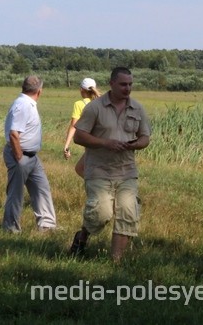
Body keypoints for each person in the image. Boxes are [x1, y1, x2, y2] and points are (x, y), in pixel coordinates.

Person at [70, 67, 151, 263]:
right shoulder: (95, 108)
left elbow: (145, 137)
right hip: (98, 169)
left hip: (126, 171)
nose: (127, 88)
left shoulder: (138, 109)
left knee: (128, 213)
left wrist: (133, 145)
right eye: (123, 84)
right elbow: (79, 136)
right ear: (112, 83)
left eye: (130, 84)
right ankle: (82, 237)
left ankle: (115, 262)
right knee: (101, 213)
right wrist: (106, 143)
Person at [2, 75, 57, 233]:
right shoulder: (23, 105)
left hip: (32, 156)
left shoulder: (28, 103)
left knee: (42, 188)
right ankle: (11, 228)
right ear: (39, 91)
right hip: (21, 155)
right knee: (16, 193)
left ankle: (47, 225)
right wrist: (19, 157)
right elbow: (14, 134)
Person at [63, 78, 101, 177]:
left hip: (92, 145)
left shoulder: (79, 104)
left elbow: (73, 126)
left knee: (80, 169)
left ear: (81, 89)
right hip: (105, 141)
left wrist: (66, 145)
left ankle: (97, 188)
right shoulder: (102, 102)